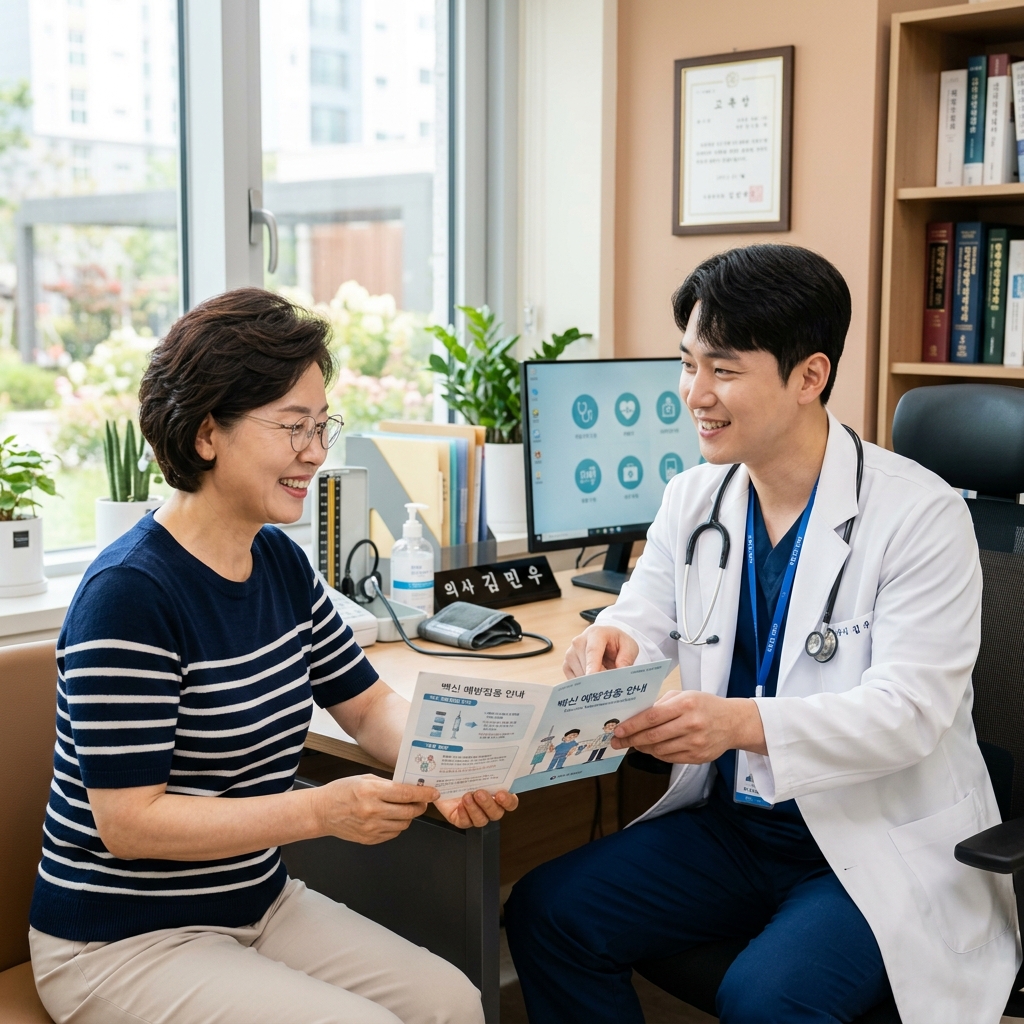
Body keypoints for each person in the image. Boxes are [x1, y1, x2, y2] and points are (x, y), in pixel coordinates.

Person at [505, 245, 1020, 1024]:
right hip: (735, 826)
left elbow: (909, 711)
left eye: (723, 369)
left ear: (810, 376)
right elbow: (641, 616)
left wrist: (737, 723)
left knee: (767, 1001)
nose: (694, 394)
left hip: (867, 840)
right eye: (687, 364)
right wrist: (609, 645)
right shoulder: (694, 496)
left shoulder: (920, 514)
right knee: (548, 911)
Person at [29, 288, 518, 1024]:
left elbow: (369, 705)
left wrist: (449, 767)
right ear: (205, 434)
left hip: (256, 901)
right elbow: (129, 823)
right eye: (293, 427)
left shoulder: (281, 566)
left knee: (452, 1002)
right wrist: (320, 810)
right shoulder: (129, 594)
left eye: (322, 426)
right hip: (120, 940)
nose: (316, 453)